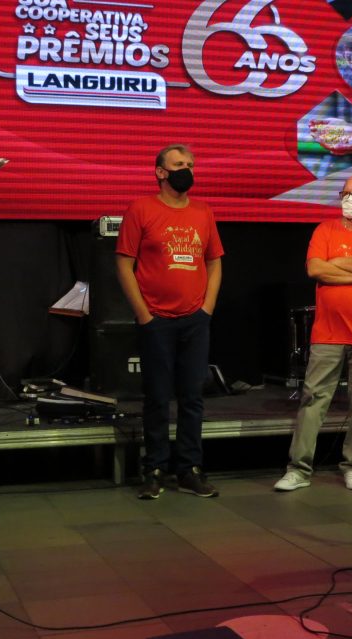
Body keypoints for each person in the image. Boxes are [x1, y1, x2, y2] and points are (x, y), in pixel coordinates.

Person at [274, 174, 352, 492]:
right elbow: (315, 268)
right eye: (346, 193)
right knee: (313, 399)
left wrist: (338, 262)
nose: (350, 199)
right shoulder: (325, 229)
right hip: (328, 332)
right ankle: (298, 469)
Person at [116, 144, 224, 500]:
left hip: (195, 320)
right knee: (158, 398)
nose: (187, 170)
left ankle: (189, 469)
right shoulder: (141, 209)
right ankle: (155, 469)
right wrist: (143, 315)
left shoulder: (203, 211)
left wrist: (207, 308)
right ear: (161, 172)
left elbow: (214, 261)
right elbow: (124, 264)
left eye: (191, 164)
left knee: (192, 397)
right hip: (156, 320)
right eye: (179, 164)